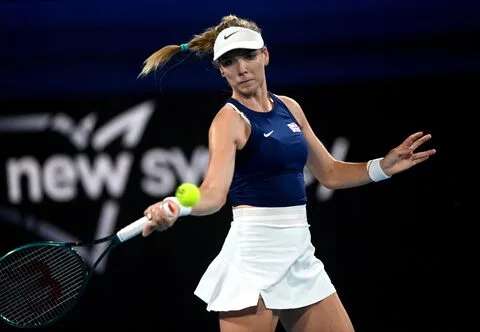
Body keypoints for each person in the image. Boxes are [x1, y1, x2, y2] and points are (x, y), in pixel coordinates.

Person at [139, 14, 436, 332]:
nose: (242, 69)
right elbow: (213, 193)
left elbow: (330, 173)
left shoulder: (290, 108)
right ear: (221, 70)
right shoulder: (229, 120)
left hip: (298, 255)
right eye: (229, 61)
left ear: (264, 55)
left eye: (249, 56)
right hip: (253, 262)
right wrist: (179, 206)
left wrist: (382, 167)